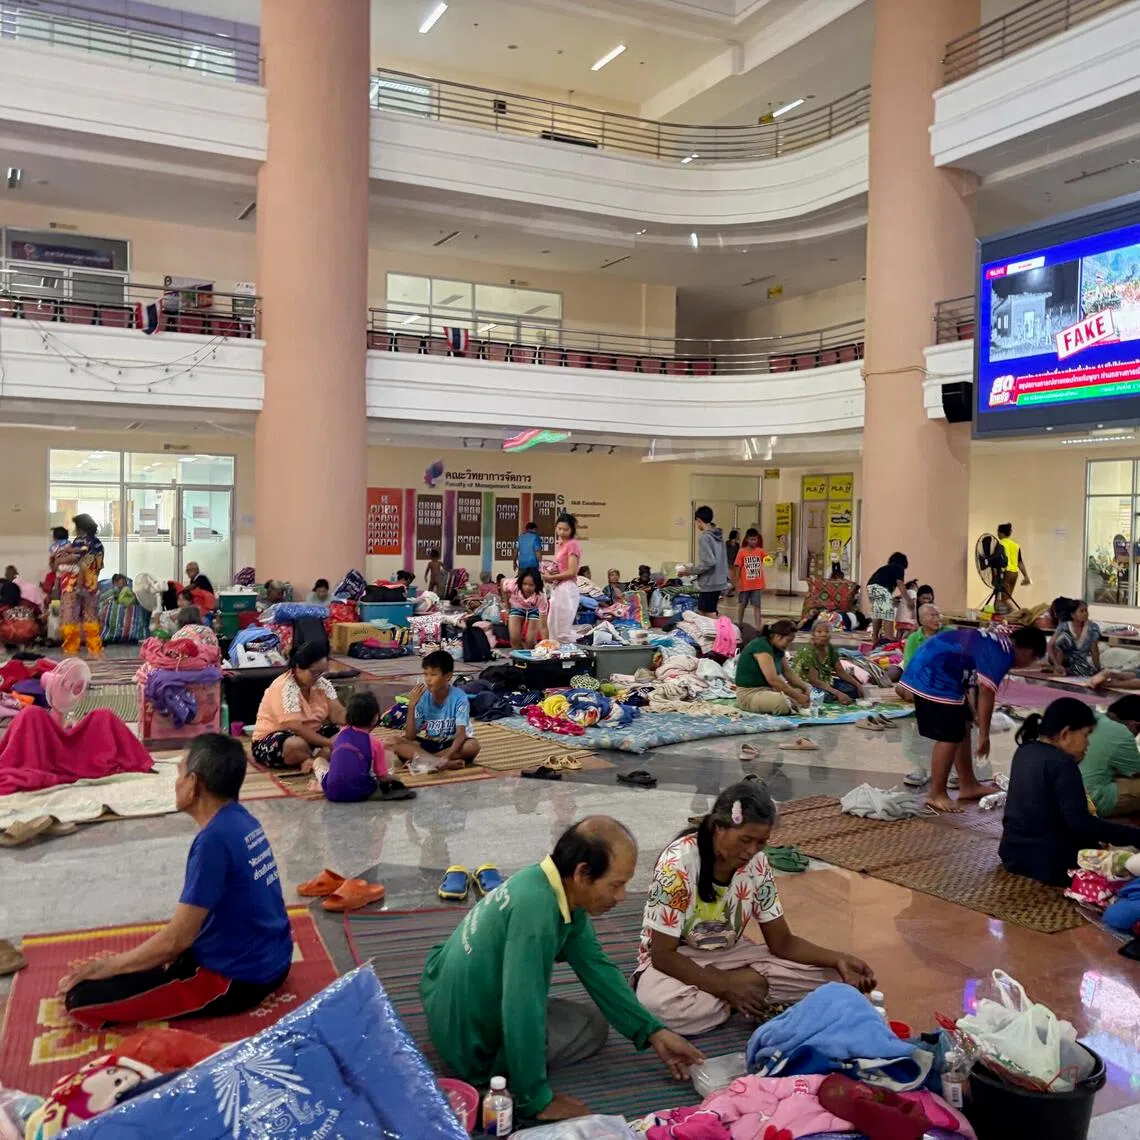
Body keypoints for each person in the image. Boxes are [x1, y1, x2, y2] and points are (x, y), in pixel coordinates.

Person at [419, 817, 703, 1122]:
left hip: (445, 1005)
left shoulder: (544, 883)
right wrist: (536, 1100)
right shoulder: (537, 914)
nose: (621, 896)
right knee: (592, 1026)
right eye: (616, 884)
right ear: (582, 873)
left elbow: (597, 968)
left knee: (578, 1011)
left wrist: (653, 1031)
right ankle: (503, 1072)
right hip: (469, 1045)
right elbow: (522, 1008)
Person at [61, 734, 292, 1028]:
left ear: (194, 783)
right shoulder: (243, 819)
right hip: (275, 958)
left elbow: (176, 941)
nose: (176, 782)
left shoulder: (213, 841)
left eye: (180, 773)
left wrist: (106, 967)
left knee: (82, 1001)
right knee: (147, 963)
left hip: (240, 980)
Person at [635, 783, 875, 1035]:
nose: (751, 851)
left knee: (835, 978)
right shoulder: (677, 863)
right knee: (660, 1007)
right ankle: (744, 991)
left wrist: (839, 959)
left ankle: (738, 992)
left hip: (732, 955)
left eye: (761, 842)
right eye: (745, 840)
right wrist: (724, 986)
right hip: (679, 959)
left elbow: (782, 942)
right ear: (719, 828)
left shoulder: (757, 864)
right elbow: (664, 955)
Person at [900, 625, 1047, 813]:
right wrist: (984, 736)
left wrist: (973, 714)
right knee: (949, 735)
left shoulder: (1000, 645)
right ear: (1028, 652)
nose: (1027, 665)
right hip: (933, 673)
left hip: (944, 670)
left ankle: (968, 784)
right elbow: (987, 692)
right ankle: (936, 793)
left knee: (963, 724)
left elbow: (974, 682)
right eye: (1032, 660)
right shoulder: (1002, 654)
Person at [999, 698, 1140, 886]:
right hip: (1051, 864)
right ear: (1065, 734)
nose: (1088, 744)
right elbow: (1081, 824)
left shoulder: (1024, 751)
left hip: (1013, 854)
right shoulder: (1061, 763)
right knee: (1124, 861)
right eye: (1086, 735)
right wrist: (1134, 836)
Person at [251, 642, 345, 769]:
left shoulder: (322, 684)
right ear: (298, 667)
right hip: (276, 739)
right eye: (314, 673)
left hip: (313, 736)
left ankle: (313, 759)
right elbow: (296, 727)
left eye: (322, 672)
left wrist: (357, 718)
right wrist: (328, 743)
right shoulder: (283, 687)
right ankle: (320, 756)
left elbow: (337, 713)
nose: (318, 677)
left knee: (345, 733)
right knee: (294, 745)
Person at [310, 690, 412, 803]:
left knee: (318, 761)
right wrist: (397, 778)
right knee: (371, 774)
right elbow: (382, 777)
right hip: (360, 792)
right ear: (375, 718)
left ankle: (322, 785)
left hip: (332, 793)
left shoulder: (341, 735)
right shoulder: (375, 743)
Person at [393, 649, 481, 772]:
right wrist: (412, 705)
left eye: (434, 675)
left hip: (452, 744)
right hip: (431, 743)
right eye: (426, 674)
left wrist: (447, 756)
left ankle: (426, 760)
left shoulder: (459, 697)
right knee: (394, 742)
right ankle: (440, 763)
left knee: (472, 746)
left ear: (448, 676)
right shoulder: (423, 697)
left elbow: (461, 735)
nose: (428, 679)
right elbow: (410, 736)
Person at [1080, 695, 1140, 818]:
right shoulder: (1122, 732)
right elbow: (1137, 772)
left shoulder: (1095, 717)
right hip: (1089, 801)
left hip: (1062, 794)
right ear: (1134, 725)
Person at [735, 620, 811, 714]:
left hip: (768, 690)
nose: (788, 645)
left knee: (800, 690)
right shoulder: (761, 646)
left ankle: (792, 704)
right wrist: (797, 697)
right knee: (781, 702)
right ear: (778, 637)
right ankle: (791, 704)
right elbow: (773, 680)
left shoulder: (778, 649)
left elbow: (788, 673)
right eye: (788, 641)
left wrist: (805, 687)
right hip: (750, 694)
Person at [55, 513, 104, 657]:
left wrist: (60, 560)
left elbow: (74, 559)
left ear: (80, 528)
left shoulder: (80, 541)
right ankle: (95, 650)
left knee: (70, 617)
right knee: (91, 617)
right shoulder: (98, 544)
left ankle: (71, 650)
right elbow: (99, 566)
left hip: (72, 584)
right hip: (92, 585)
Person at [792, 620, 864, 704]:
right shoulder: (808, 652)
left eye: (826, 631)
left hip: (827, 682)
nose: (823, 634)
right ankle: (833, 696)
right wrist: (837, 693)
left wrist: (857, 685)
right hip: (809, 685)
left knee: (853, 690)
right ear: (813, 634)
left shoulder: (830, 648)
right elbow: (814, 680)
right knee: (824, 696)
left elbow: (841, 672)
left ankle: (835, 696)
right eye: (819, 632)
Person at [684, 506, 729, 617]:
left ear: (699, 520)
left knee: (707, 614)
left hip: (709, 582)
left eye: (696, 522)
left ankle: (719, 629)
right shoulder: (719, 536)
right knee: (704, 612)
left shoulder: (705, 537)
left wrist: (689, 571)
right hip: (719, 581)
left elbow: (709, 562)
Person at [546, 513, 581, 644]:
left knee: (562, 631)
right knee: (552, 626)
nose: (561, 532)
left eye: (565, 529)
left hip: (567, 587)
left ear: (572, 529)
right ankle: (554, 652)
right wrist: (552, 572)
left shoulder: (572, 544)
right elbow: (562, 567)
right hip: (558, 586)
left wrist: (551, 577)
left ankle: (582, 644)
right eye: (559, 528)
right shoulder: (561, 544)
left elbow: (572, 572)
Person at [1048, 598, 1101, 677]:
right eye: (1081, 611)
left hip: (1081, 664)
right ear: (1073, 615)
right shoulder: (1064, 626)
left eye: (1086, 610)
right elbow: (1050, 646)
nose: (1085, 613)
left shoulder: (1093, 627)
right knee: (1064, 637)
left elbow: (1094, 650)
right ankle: (1060, 669)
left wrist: (1098, 668)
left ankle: (1070, 670)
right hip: (1064, 661)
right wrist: (1057, 665)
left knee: (1087, 671)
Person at [865, 552, 908, 645]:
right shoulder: (898, 567)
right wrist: (908, 600)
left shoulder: (886, 569)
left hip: (871, 586)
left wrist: (892, 599)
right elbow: (900, 583)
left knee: (878, 613)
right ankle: (889, 637)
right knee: (888, 612)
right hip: (881, 587)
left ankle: (875, 638)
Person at [507, 566, 549, 649]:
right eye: (524, 584)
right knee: (514, 637)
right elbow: (502, 583)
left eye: (531, 585)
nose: (527, 588)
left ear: (537, 585)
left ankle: (530, 655)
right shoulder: (513, 585)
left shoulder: (541, 597)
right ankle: (519, 656)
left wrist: (547, 645)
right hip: (517, 606)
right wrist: (506, 605)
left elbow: (543, 626)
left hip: (534, 608)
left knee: (530, 641)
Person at [733, 528, 766, 628]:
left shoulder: (760, 551)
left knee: (757, 606)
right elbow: (737, 567)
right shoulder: (742, 552)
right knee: (742, 604)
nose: (754, 541)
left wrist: (772, 557)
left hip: (757, 585)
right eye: (752, 539)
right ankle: (739, 624)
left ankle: (758, 627)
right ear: (747, 539)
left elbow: (767, 559)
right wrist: (737, 582)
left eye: (755, 539)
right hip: (745, 585)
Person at [902, 602, 946, 668]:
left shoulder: (949, 632)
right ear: (921, 620)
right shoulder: (913, 638)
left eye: (938, 615)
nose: (937, 619)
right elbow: (909, 665)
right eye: (932, 616)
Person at [997, 523, 1030, 608]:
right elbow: (1020, 562)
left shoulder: (1000, 544)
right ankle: (1005, 613)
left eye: (998, 532)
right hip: (1014, 574)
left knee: (1006, 599)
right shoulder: (1015, 545)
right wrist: (1026, 576)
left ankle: (1016, 612)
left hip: (1006, 573)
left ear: (1001, 533)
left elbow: (996, 559)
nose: (997, 534)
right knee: (1007, 598)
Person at [725, 529, 741, 595]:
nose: (739, 536)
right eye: (738, 535)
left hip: (734, 563)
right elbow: (724, 554)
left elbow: (737, 554)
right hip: (728, 563)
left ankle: (732, 589)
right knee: (729, 577)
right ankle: (729, 590)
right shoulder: (726, 543)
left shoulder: (737, 545)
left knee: (734, 577)